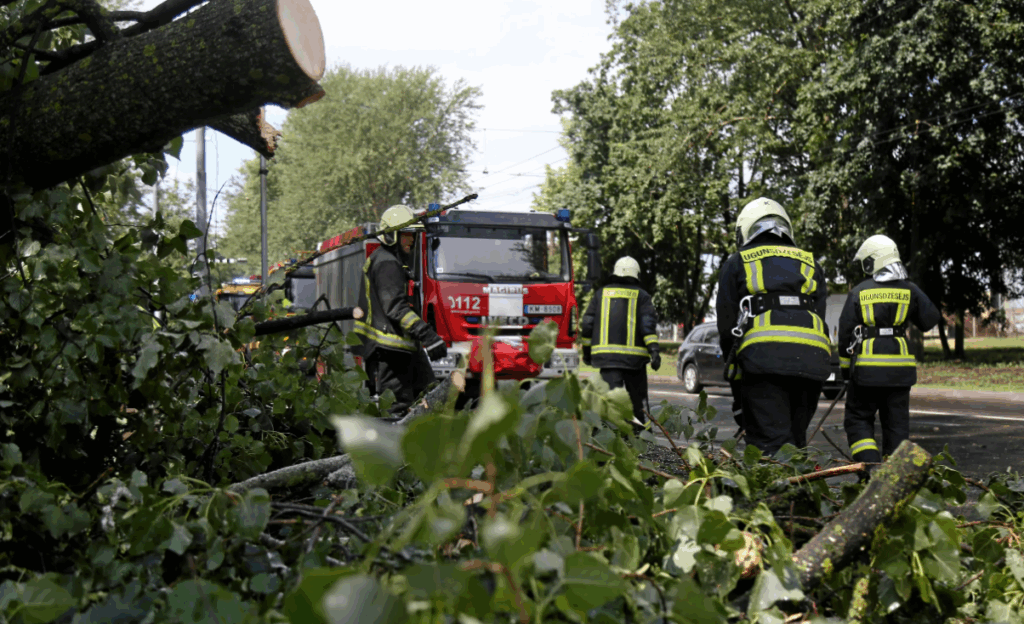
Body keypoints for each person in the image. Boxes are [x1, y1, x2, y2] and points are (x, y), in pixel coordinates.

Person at [717, 197, 831, 455]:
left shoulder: (737, 262)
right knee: (794, 443)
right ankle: (796, 492)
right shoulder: (812, 263)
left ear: (746, 228)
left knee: (768, 447)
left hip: (763, 364)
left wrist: (738, 397)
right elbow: (818, 318)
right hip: (812, 364)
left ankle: (773, 495)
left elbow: (727, 333)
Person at [839, 235, 940, 465]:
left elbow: (845, 335)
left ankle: (870, 468)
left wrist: (847, 373)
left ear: (872, 261)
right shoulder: (910, 290)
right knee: (896, 427)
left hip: (866, 373)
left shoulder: (859, 292)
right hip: (900, 373)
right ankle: (892, 480)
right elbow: (931, 319)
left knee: (857, 420)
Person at [355, 204, 448, 415]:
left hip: (403, 349)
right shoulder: (387, 263)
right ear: (391, 235)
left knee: (431, 397)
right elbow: (395, 308)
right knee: (397, 409)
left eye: (412, 235)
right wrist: (429, 336)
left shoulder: (389, 261)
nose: (412, 240)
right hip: (391, 351)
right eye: (407, 235)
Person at [581, 256, 661, 435]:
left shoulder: (600, 294)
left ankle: (603, 442)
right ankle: (640, 442)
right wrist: (654, 352)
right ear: (636, 275)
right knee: (638, 406)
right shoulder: (642, 296)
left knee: (609, 404)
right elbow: (647, 326)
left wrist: (587, 353)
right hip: (635, 364)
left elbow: (587, 325)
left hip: (607, 362)